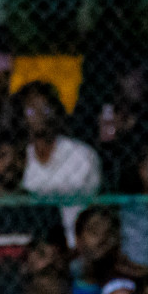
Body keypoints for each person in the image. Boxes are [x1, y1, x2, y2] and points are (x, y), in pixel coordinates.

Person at [17, 81, 103, 239]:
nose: (39, 114)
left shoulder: (82, 155)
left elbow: (94, 207)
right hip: (33, 244)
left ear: (56, 111)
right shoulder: (18, 159)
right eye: (31, 109)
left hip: (76, 241)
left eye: (45, 108)